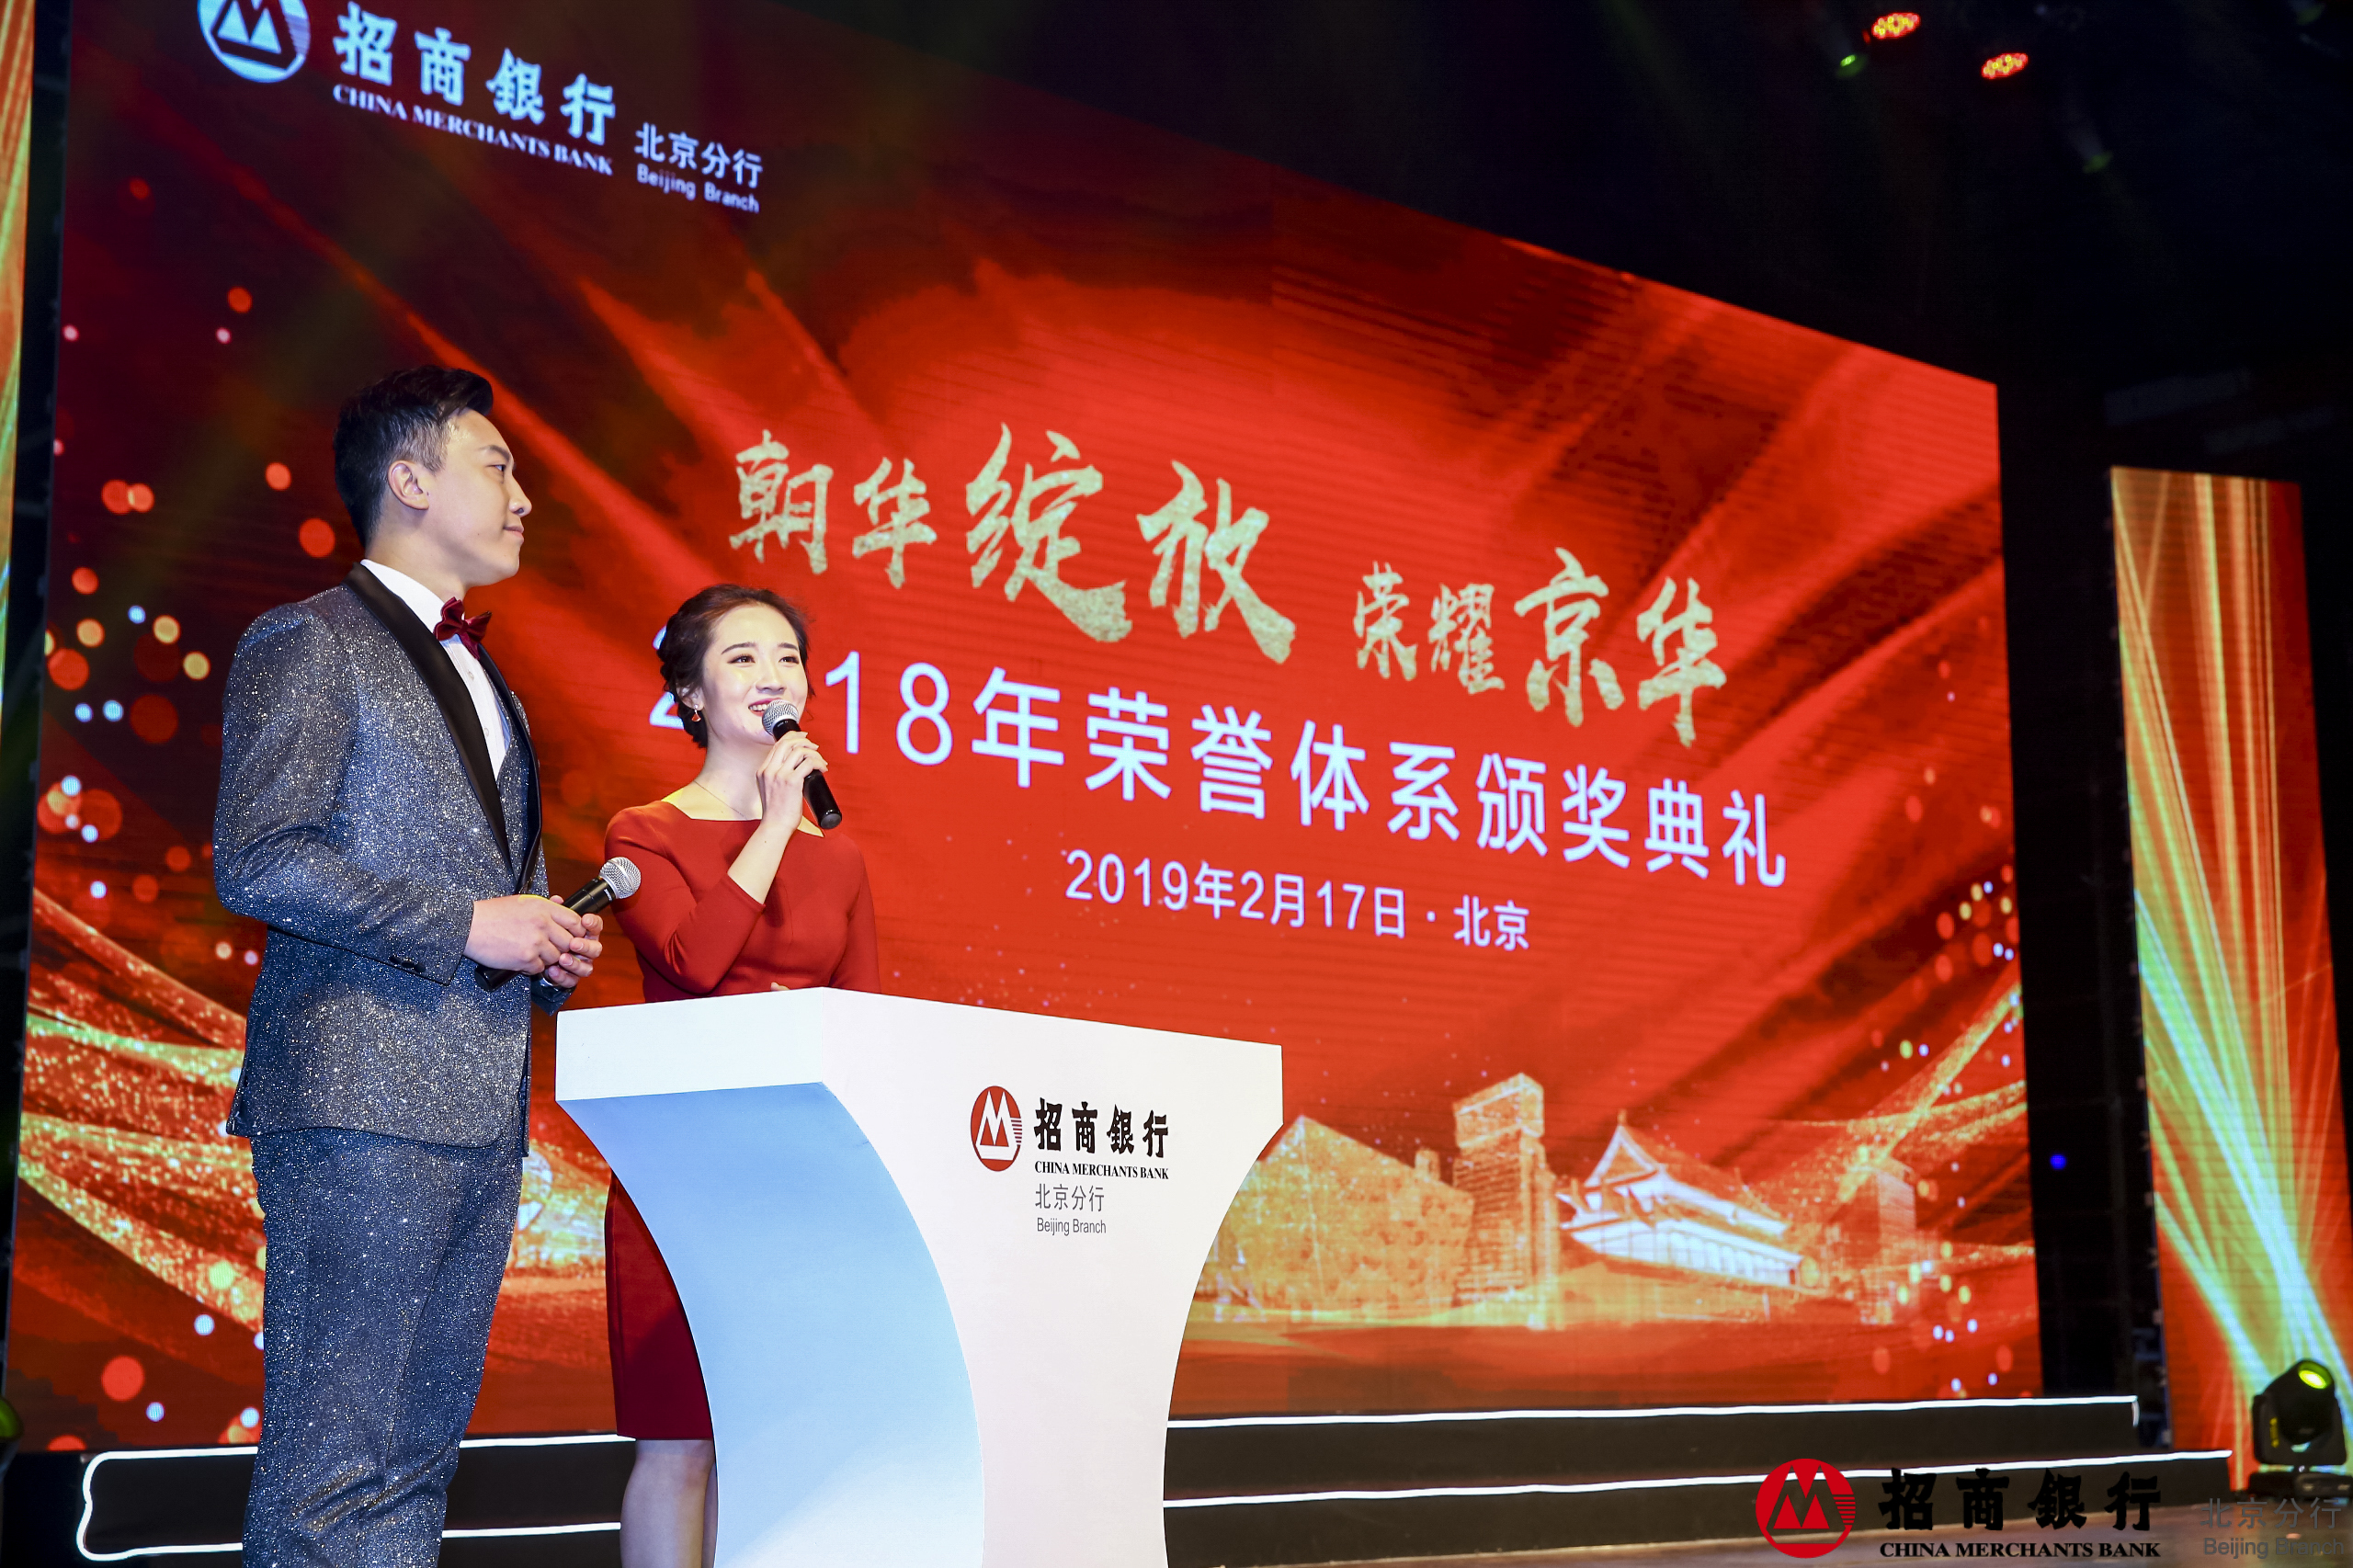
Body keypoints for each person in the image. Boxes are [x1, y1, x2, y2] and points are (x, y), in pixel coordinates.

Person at [214, 367, 603, 1566]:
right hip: (356, 1100)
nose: (524, 496)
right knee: (334, 1469)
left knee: (418, 1464)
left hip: (480, 1111)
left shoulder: (500, 685)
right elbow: (260, 857)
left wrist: (544, 942)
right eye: (499, 464)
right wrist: (469, 923)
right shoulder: (309, 639)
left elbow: (492, 894)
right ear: (411, 479)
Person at [600, 584, 878, 1568]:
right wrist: (772, 821)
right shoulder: (644, 832)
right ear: (690, 693)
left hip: (800, 1180)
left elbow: (862, 1026)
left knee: (766, 1441)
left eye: (788, 658)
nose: (772, 677)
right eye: (742, 658)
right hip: (684, 1173)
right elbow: (695, 958)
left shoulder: (840, 857)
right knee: (682, 1443)